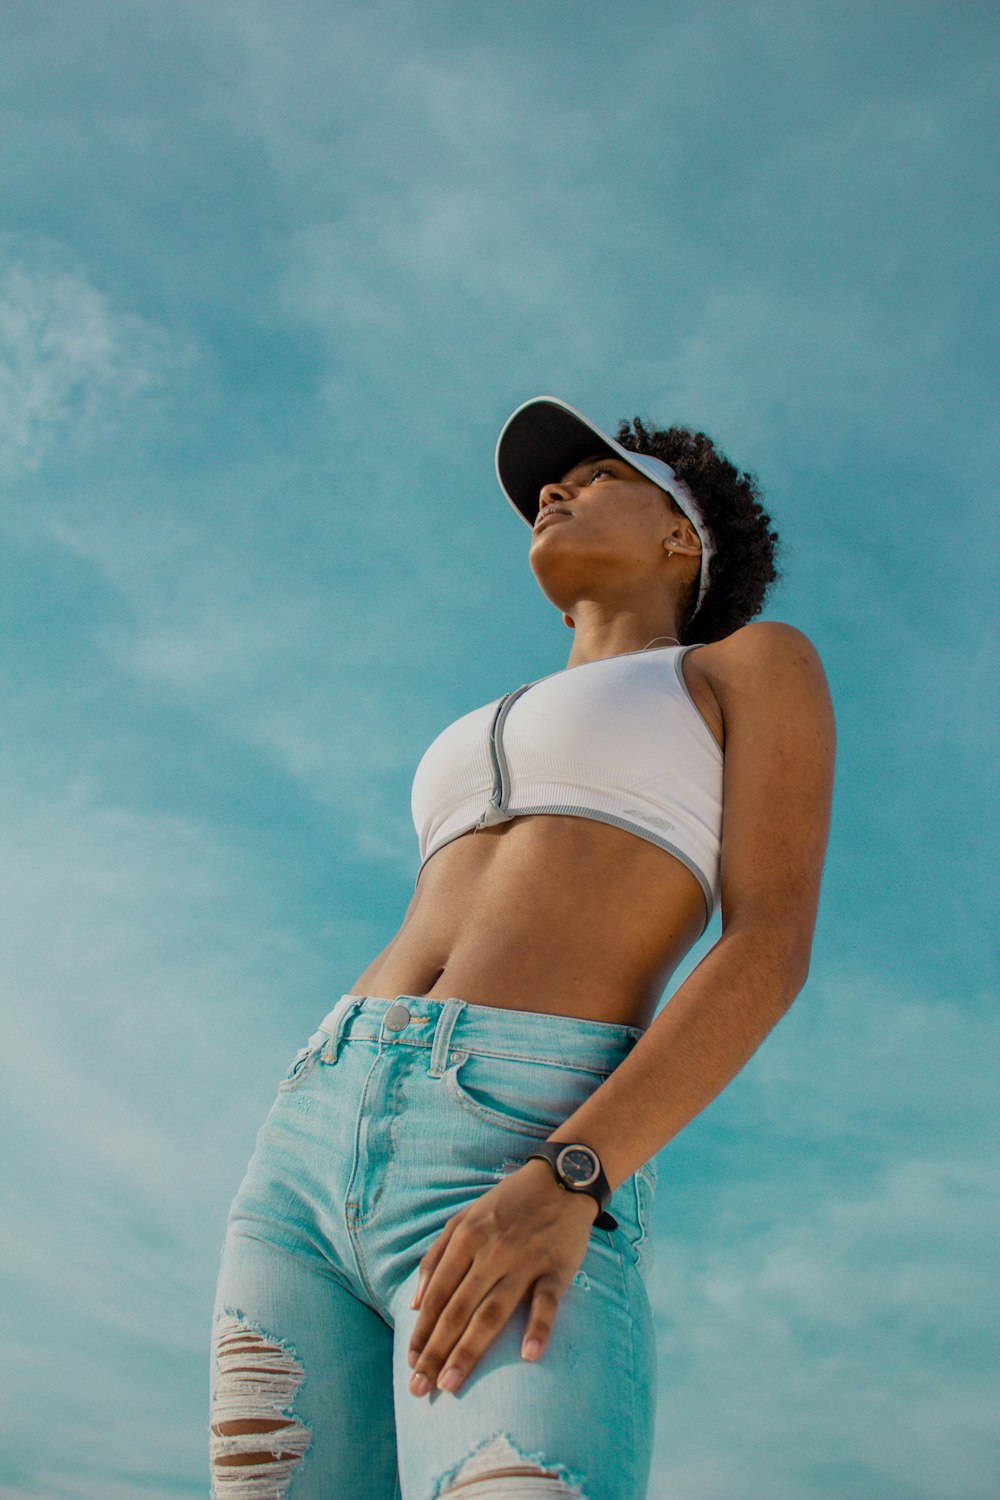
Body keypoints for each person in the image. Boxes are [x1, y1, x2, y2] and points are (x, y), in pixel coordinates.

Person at [208, 396, 836, 1499]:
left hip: (525, 1132)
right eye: (552, 483)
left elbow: (768, 947)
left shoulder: (746, 666)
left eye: (597, 476)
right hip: (310, 1142)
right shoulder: (494, 711)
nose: (552, 489)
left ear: (678, 537)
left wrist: (574, 1173)